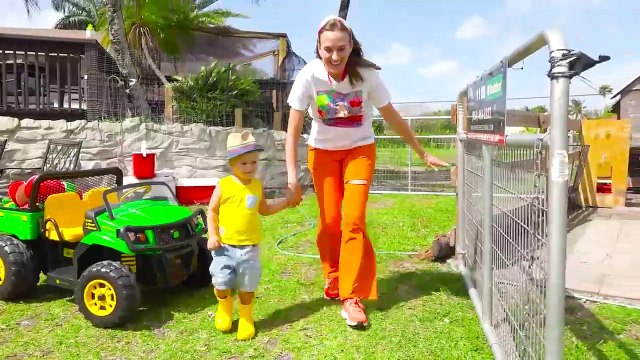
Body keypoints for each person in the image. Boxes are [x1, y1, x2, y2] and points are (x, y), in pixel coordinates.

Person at [284, 15, 450, 328]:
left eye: (341, 49)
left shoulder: (367, 76)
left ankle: (351, 296)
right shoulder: (309, 75)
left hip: (360, 150)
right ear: (318, 49)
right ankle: (332, 275)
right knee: (330, 222)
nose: (335, 56)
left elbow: (392, 116)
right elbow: (292, 130)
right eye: (328, 49)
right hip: (322, 154)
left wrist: (422, 152)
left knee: (354, 221)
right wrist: (292, 177)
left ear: (352, 47)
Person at [207, 130, 294, 340]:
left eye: (253, 162)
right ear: (232, 163)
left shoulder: (257, 186)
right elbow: (212, 210)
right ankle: (224, 308)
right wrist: (212, 234)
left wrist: (285, 202)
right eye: (243, 163)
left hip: (249, 248)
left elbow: (263, 209)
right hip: (224, 248)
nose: (249, 168)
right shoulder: (224, 185)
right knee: (221, 283)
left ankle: (246, 317)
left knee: (248, 286)